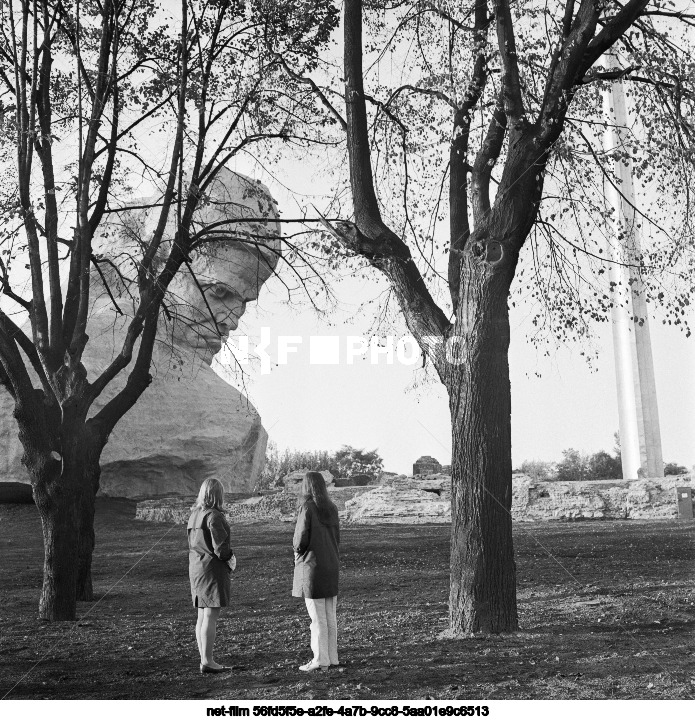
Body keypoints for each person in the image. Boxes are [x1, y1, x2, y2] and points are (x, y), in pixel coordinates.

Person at [292, 471, 340, 672]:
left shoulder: (307, 508)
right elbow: (337, 538)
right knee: (329, 616)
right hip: (331, 565)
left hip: (312, 567)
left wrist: (297, 553)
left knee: (317, 618)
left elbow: (299, 540)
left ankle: (320, 659)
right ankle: (331, 657)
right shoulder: (332, 508)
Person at [188, 477, 234, 674]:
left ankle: (204, 658)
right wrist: (231, 558)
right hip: (212, 570)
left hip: (197, 567)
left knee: (202, 615)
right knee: (210, 616)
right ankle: (207, 661)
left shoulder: (194, 515)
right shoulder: (214, 516)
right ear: (218, 495)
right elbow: (221, 549)